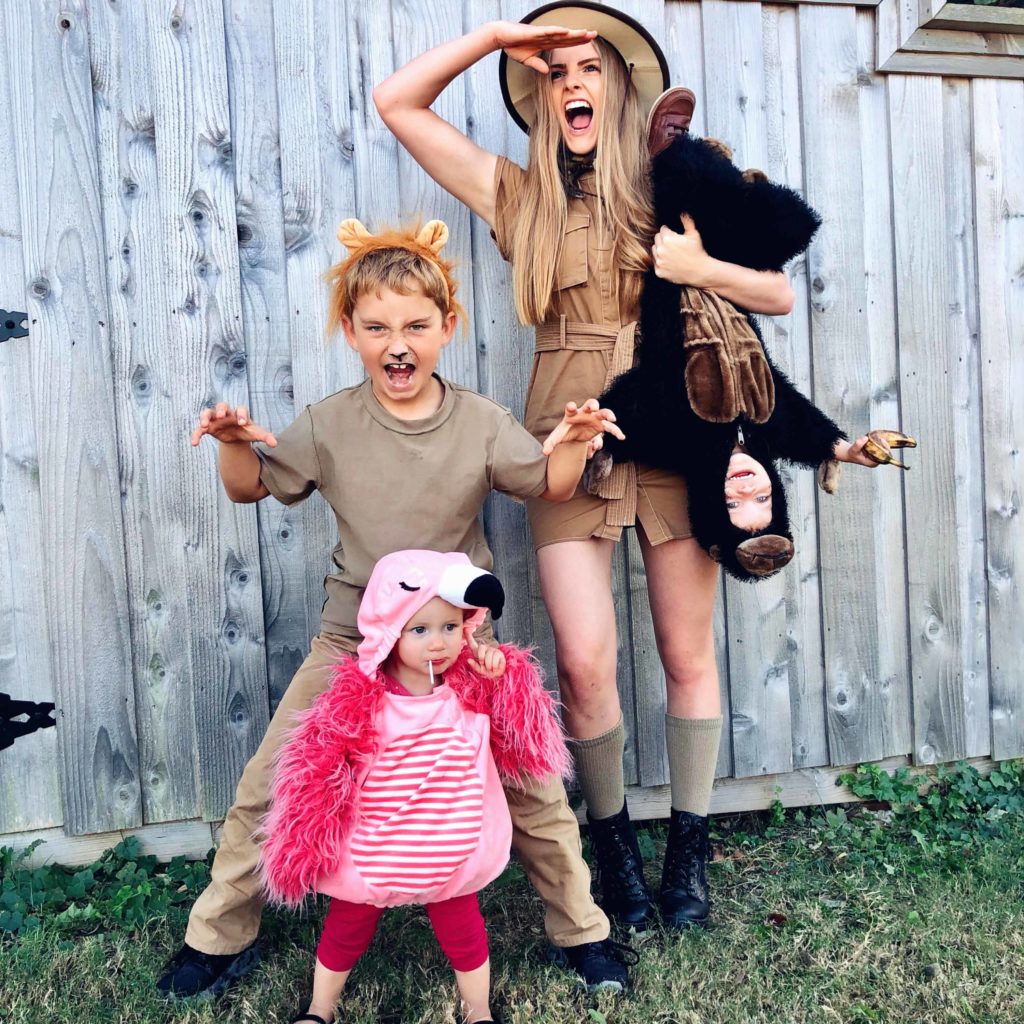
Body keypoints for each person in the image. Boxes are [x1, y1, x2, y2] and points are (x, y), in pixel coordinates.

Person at [373, 2, 801, 933]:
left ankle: (688, 857)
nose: (573, 82)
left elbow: (777, 290)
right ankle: (615, 858)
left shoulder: (675, 186)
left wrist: (700, 265)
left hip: (676, 431)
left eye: (590, 68)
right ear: (540, 95)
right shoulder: (517, 195)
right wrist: (494, 41)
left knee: (688, 653)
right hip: (566, 442)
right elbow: (397, 102)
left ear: (617, 88)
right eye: (555, 72)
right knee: (585, 661)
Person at [157, 218, 634, 1001]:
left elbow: (547, 483)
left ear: (447, 326)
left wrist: (576, 439)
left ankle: (582, 931)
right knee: (271, 778)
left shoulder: (480, 423)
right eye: (377, 327)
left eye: (416, 325)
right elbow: (251, 487)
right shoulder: (331, 423)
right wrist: (233, 442)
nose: (397, 342)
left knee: (534, 785)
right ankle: (216, 938)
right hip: (354, 639)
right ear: (351, 332)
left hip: (458, 642)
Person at [262, 549, 569, 1024]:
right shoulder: (362, 698)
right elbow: (322, 769)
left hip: (450, 844)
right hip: (376, 844)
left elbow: (520, 740)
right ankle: (320, 1009)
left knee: (464, 932)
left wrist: (503, 677)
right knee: (346, 925)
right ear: (389, 631)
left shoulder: (470, 686)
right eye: (419, 629)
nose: (437, 643)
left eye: (450, 627)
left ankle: (479, 1011)